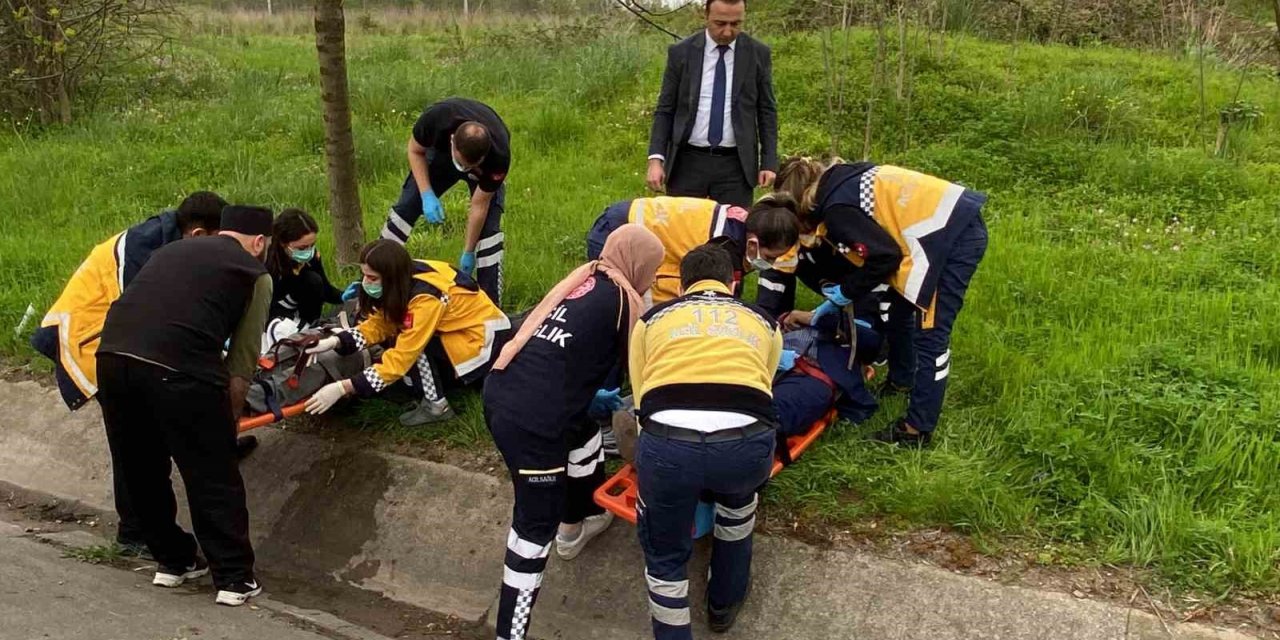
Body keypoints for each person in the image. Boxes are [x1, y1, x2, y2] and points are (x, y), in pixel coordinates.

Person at [483, 224, 665, 640]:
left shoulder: (586, 279)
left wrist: (588, 397)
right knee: (532, 528)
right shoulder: (623, 301)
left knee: (583, 431)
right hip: (534, 422)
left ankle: (579, 521)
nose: (652, 279)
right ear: (638, 265)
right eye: (652, 270)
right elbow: (643, 372)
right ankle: (509, 633)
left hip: (503, 388)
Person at [95, 205, 274, 607]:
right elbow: (242, 363)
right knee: (211, 472)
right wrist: (227, 422)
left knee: (140, 466)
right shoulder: (254, 274)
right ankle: (233, 578)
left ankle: (172, 561)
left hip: (112, 360)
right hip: (179, 369)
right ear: (260, 243)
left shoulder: (170, 251)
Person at [30, 191, 227, 553]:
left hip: (115, 337)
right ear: (198, 235)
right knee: (136, 439)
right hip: (90, 342)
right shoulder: (139, 249)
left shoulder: (171, 242)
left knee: (144, 433)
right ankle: (134, 531)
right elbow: (143, 309)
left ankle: (141, 524)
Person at [769, 157, 989, 447]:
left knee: (932, 335)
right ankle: (901, 380)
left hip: (950, 238)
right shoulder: (838, 182)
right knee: (898, 313)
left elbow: (885, 257)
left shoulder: (836, 210)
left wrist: (844, 293)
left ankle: (916, 429)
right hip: (942, 228)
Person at [629, 245, 782, 638]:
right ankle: (724, 604)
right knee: (737, 510)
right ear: (734, 281)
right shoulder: (765, 322)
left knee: (663, 554)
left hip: (669, 445)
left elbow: (642, 398)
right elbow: (764, 385)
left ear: (681, 286)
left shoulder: (651, 320)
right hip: (745, 444)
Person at [303, 240, 511, 426]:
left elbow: (402, 357)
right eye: (364, 274)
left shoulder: (425, 298)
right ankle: (425, 386)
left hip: (479, 343)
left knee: (415, 347)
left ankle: (437, 406)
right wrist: (335, 342)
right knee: (399, 338)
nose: (365, 282)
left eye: (372, 277)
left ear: (390, 277)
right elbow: (380, 324)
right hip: (463, 330)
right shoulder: (404, 274)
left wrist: (344, 388)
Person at [646, 0, 778, 207]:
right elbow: (665, 109)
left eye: (735, 24)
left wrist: (769, 162)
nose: (727, 32)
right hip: (687, 162)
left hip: (736, 165)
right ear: (705, 15)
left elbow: (767, 110)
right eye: (720, 23)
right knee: (683, 234)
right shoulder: (681, 53)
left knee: (731, 234)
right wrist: (656, 159)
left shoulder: (758, 54)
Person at [381, 97, 510, 306]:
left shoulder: (499, 157)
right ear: (452, 141)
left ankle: (490, 307)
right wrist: (426, 194)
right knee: (405, 208)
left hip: (481, 166)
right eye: (461, 163)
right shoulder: (437, 119)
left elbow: (479, 205)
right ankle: (374, 281)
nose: (465, 170)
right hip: (440, 157)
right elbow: (415, 151)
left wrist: (468, 251)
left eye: (470, 167)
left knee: (488, 235)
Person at [585, 196, 799, 305]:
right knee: (619, 308)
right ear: (753, 244)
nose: (771, 264)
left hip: (630, 221)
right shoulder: (724, 248)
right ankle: (609, 380)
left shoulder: (747, 224)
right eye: (771, 257)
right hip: (617, 233)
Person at [264, 208, 343, 326]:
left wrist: (345, 296)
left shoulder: (312, 257)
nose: (308, 251)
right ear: (283, 242)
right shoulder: (268, 261)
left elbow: (325, 289)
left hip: (302, 311)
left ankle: (311, 325)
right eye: (302, 248)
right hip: (273, 313)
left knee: (313, 280)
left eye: (312, 245)